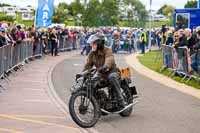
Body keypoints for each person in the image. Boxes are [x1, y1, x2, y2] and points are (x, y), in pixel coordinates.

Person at [83, 34, 127, 108]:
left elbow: (109, 59)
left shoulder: (107, 50)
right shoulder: (92, 53)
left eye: (93, 43)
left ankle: (121, 100)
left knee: (112, 77)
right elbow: (88, 65)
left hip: (112, 72)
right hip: (101, 75)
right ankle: (100, 102)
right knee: (90, 83)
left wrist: (105, 66)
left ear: (99, 43)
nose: (92, 45)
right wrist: (83, 74)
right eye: (91, 44)